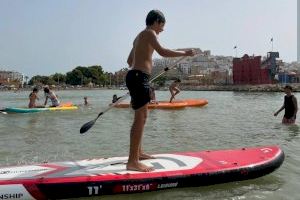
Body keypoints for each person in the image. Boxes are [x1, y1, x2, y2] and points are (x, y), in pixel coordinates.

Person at [125, 9, 196, 172]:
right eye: (162, 26)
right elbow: (163, 52)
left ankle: (139, 153)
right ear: (156, 21)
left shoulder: (138, 37)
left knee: (141, 117)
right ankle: (132, 161)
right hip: (139, 77)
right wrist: (186, 52)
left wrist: (143, 60)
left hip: (134, 76)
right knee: (140, 118)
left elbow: (129, 61)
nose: (162, 30)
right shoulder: (150, 33)